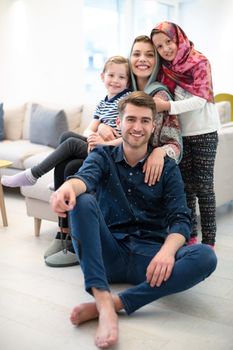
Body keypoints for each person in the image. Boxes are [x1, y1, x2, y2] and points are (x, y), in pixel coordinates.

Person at [50, 91, 217, 349]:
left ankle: (115, 304)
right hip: (108, 253)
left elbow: (181, 218)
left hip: (149, 260)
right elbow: (83, 179)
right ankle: (102, 298)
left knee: (206, 256)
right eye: (131, 119)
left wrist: (167, 252)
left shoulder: (167, 168)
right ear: (119, 123)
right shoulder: (102, 157)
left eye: (144, 121)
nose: (137, 127)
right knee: (81, 201)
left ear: (152, 126)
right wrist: (67, 189)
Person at [150, 22, 220, 247]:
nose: (165, 50)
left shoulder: (200, 62)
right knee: (186, 188)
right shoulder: (165, 69)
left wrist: (167, 107)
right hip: (180, 136)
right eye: (159, 47)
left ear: (178, 38)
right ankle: (189, 236)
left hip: (204, 132)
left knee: (204, 188)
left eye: (168, 42)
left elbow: (200, 101)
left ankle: (209, 241)